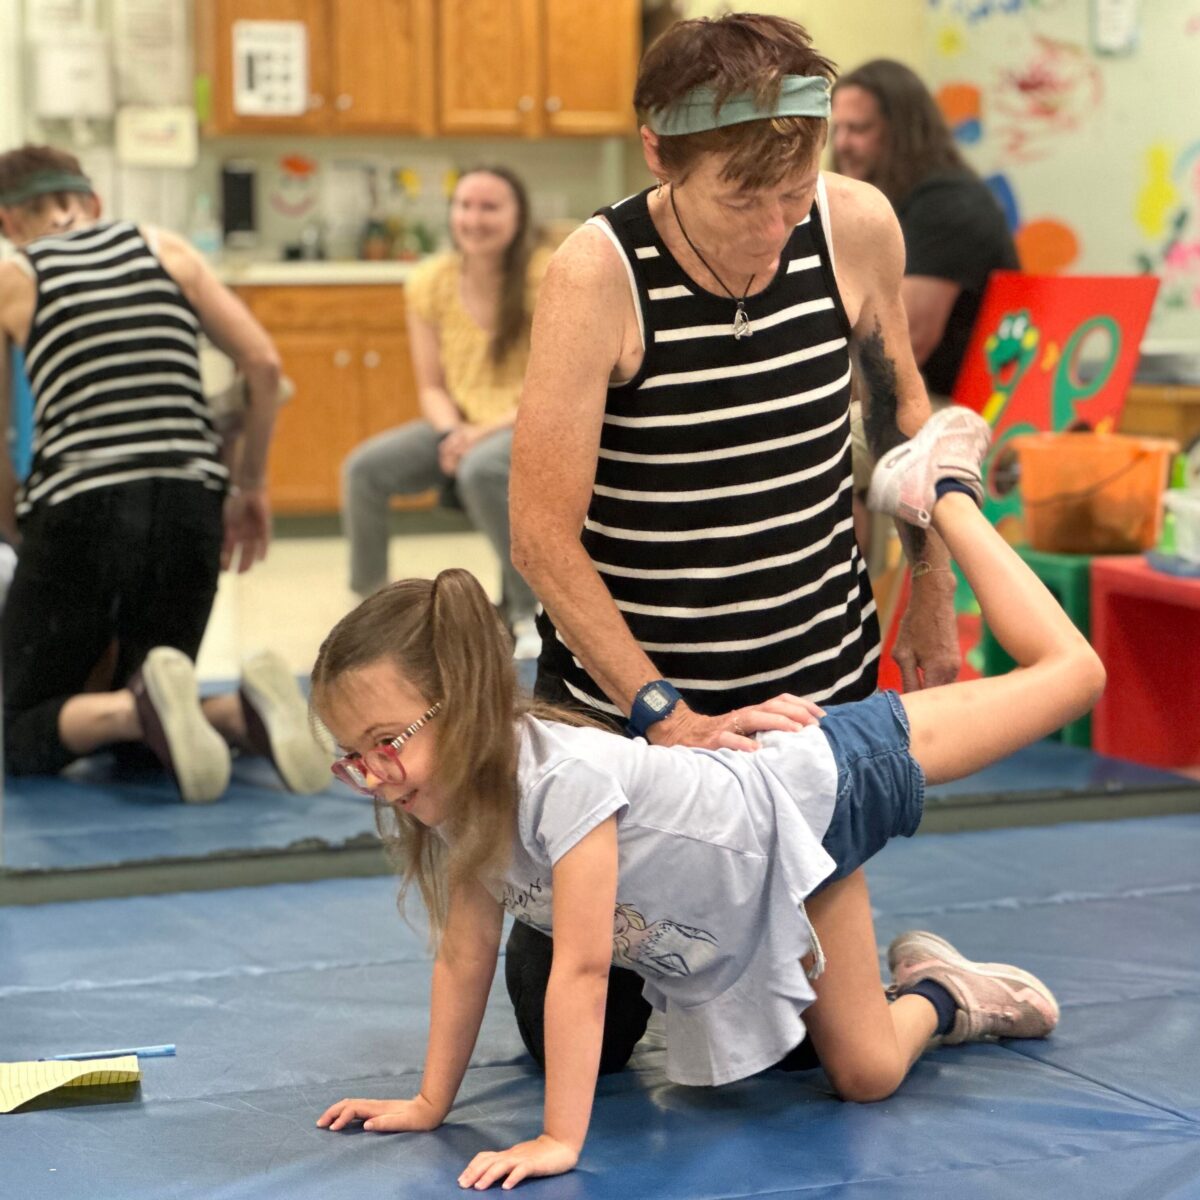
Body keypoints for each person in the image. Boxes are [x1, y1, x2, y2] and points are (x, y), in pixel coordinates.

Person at [312, 408, 1105, 1187]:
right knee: (866, 1074)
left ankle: (944, 488)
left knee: (1072, 676)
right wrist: (428, 1101)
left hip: (827, 784)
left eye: (387, 742)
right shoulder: (457, 806)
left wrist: (559, 1138)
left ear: (465, 705)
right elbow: (463, 956)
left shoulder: (563, 782)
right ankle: (944, 989)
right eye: (352, 758)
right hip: (765, 874)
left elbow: (584, 973)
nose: (373, 773)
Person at [506, 15, 966, 1077]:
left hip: (808, 704)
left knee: (812, 1061)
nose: (772, 226)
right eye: (739, 199)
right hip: (630, 716)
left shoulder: (856, 227)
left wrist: (931, 588)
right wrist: (661, 714)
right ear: (660, 155)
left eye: (791, 193)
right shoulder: (596, 274)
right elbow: (540, 536)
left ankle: (942, 988)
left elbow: (907, 421)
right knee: (572, 1044)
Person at [0, 144, 325, 802]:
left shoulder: (16, 274)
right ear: (93, 203)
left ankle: (132, 707)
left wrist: (15, 530)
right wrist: (249, 487)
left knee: (20, 729)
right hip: (191, 504)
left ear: (9, 222)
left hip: (80, 507)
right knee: (152, 738)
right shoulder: (166, 249)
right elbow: (264, 370)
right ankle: (240, 713)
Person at [342, 166, 549, 655]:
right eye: (465, 205)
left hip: (529, 421)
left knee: (483, 469)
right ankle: (372, 608)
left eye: (489, 207)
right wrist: (451, 432)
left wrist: (473, 438)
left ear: (518, 216)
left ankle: (528, 610)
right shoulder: (430, 281)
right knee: (363, 470)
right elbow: (431, 385)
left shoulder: (546, 274)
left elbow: (549, 388)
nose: (474, 218)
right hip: (460, 425)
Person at [831, 61, 1020, 553]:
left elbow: (902, 346)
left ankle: (847, 612)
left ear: (903, 130)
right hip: (919, 397)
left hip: (963, 408)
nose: (844, 143)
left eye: (861, 128)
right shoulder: (891, 205)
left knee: (818, 448)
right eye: (838, 128)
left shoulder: (947, 204)